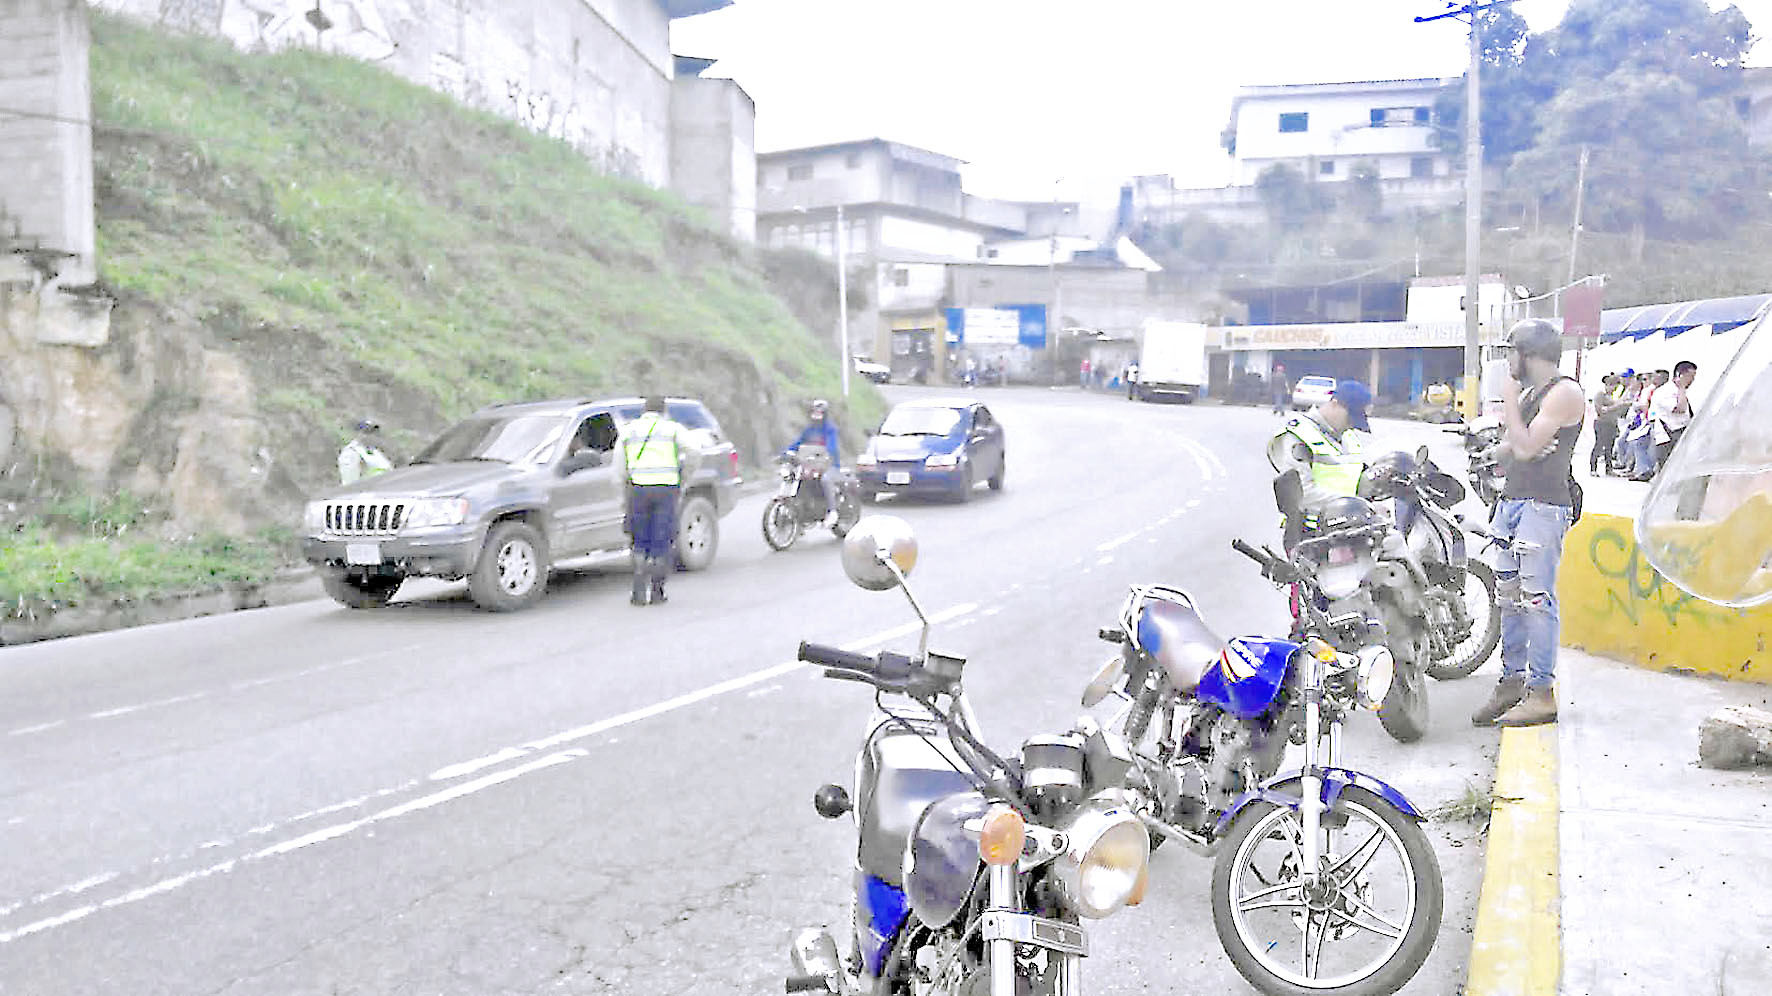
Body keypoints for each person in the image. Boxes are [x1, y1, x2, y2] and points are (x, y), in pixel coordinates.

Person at [1472, 319, 1587, 728]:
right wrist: (1501, 450)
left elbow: (1523, 446)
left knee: (1536, 600)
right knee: (1509, 598)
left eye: (1510, 353)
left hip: (1543, 507)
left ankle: (1541, 692)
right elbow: (1514, 447)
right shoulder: (1533, 395)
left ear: (1528, 353)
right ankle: (1511, 680)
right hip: (1514, 503)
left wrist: (1510, 411)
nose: (1507, 362)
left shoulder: (1565, 393)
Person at [616, 396, 698, 607]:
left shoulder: (628, 430)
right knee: (662, 540)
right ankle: (657, 591)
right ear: (664, 410)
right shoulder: (672, 429)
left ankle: (638, 591)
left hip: (638, 490)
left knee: (639, 541)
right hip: (666, 490)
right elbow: (694, 451)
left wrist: (623, 492)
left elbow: (618, 468)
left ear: (644, 410)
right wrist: (685, 477)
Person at [1266, 379, 1374, 534]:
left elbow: (1356, 479)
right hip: (1311, 532)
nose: (1351, 425)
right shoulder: (1299, 435)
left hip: (1349, 526)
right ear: (1335, 404)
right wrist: (1359, 504)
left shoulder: (1348, 437)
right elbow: (1303, 495)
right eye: (1350, 418)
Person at [782, 399, 842, 525]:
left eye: (819, 413)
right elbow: (798, 442)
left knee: (825, 479)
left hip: (828, 465)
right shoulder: (809, 429)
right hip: (810, 464)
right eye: (814, 413)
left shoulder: (830, 429)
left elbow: (832, 446)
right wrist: (787, 452)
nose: (816, 416)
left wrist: (826, 453)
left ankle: (832, 511)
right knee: (799, 478)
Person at [1650, 360, 1697, 471]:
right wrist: (1682, 388)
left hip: (1682, 434)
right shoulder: (1664, 392)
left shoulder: (1685, 392)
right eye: (1690, 377)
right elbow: (1680, 409)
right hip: (1667, 437)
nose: (1692, 380)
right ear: (1680, 375)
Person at [1589, 374, 1627, 476]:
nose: (1613, 389)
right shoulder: (1600, 394)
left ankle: (1609, 468)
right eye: (1613, 386)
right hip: (1602, 423)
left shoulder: (1613, 396)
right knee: (1599, 445)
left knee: (1609, 447)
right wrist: (1616, 406)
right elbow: (1600, 410)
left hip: (1612, 423)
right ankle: (1593, 468)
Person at [338, 418, 393, 484]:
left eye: (372, 432)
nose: (370, 436)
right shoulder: (351, 452)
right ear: (358, 434)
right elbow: (350, 481)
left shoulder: (376, 452)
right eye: (366, 432)